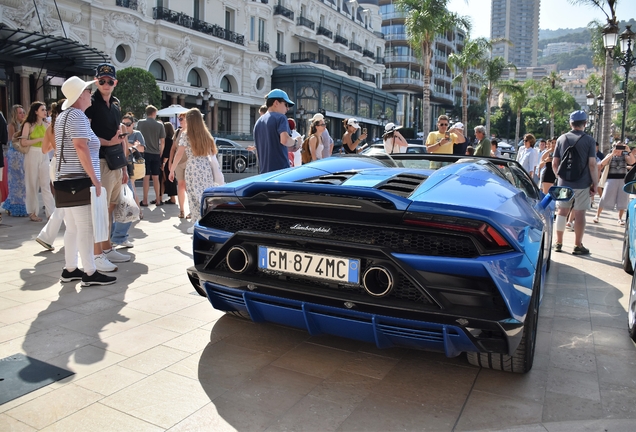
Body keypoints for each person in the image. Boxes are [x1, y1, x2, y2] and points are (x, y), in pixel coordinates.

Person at [55, 76, 116, 286]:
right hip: (80, 181)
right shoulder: (78, 116)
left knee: (72, 228)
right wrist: (95, 180)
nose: (91, 94)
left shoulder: (62, 117)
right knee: (85, 228)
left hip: (64, 180)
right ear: (81, 95)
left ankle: (70, 268)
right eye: (88, 91)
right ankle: (90, 272)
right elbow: (81, 147)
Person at [84, 63, 130, 270]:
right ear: (96, 81)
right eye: (101, 81)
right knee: (100, 210)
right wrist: (109, 143)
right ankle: (98, 253)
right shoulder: (90, 104)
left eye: (109, 81)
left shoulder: (116, 105)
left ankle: (107, 247)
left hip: (115, 162)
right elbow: (86, 135)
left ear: (115, 83)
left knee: (110, 207)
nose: (105, 84)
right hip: (99, 161)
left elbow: (119, 137)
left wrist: (125, 168)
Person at [169, 108, 225, 234]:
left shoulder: (186, 134)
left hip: (193, 167)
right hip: (205, 167)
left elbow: (179, 154)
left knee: (194, 197)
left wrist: (172, 170)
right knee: (205, 196)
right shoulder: (206, 134)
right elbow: (213, 152)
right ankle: (210, 221)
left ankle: (197, 224)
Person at [552, 110, 598, 255]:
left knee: (562, 212)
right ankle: (577, 245)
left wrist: (560, 178)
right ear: (585, 123)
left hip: (564, 183)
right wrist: (595, 183)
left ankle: (558, 243)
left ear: (570, 123)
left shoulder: (561, 139)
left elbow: (555, 163)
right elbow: (592, 164)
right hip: (582, 183)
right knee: (579, 214)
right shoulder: (589, 140)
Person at [110, 112, 145, 248]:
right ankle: (119, 237)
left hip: (113, 168)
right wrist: (132, 145)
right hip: (120, 168)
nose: (125, 126)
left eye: (128, 124)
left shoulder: (100, 127)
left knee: (114, 205)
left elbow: (141, 147)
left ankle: (114, 237)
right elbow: (125, 151)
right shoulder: (120, 129)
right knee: (127, 204)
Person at [36, 100, 65, 251]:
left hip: (54, 163)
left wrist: (54, 145)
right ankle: (46, 236)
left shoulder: (51, 128)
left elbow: (44, 149)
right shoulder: (65, 126)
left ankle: (46, 236)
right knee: (65, 203)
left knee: (65, 203)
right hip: (64, 165)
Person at [19, 101, 55, 222]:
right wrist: (40, 139)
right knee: (32, 183)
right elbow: (23, 142)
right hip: (32, 154)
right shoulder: (28, 125)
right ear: (36, 112)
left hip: (43, 154)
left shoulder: (46, 125)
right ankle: (32, 212)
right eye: (42, 110)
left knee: (46, 184)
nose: (45, 112)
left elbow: (51, 141)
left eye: (45, 109)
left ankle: (51, 213)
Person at [253, 89, 302, 173]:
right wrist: (296, 141)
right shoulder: (280, 117)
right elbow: (285, 140)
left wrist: (291, 147)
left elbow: (268, 148)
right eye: (286, 104)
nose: (287, 108)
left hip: (264, 173)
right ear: (276, 103)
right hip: (280, 171)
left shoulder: (258, 122)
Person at [593, 142, 635, 225]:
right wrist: (612, 153)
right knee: (605, 197)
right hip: (611, 179)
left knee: (623, 199)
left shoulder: (625, 156)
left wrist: (628, 151)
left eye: (621, 147)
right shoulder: (610, 155)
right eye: (617, 146)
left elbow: (632, 162)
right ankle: (597, 215)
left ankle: (620, 218)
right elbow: (602, 163)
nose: (619, 149)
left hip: (623, 179)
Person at [137, 105, 166, 206]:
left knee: (145, 177)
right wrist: (160, 152)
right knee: (156, 177)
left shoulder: (140, 123)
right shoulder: (159, 125)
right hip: (155, 153)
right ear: (154, 113)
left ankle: (144, 200)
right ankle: (158, 199)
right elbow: (162, 141)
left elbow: (137, 138)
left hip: (144, 152)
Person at [2, 105, 28, 217]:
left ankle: (14, 205)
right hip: (15, 155)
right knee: (17, 182)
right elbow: (12, 142)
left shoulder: (25, 125)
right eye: (20, 113)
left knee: (23, 182)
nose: (22, 114)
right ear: (14, 114)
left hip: (23, 154)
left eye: (23, 112)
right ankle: (15, 206)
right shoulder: (12, 126)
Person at [169, 112, 188, 218]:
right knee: (180, 186)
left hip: (189, 162)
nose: (179, 121)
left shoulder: (191, 132)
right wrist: (170, 162)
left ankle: (191, 210)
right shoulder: (177, 132)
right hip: (179, 163)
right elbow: (173, 149)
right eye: (179, 119)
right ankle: (182, 210)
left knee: (189, 187)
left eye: (181, 119)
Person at [161, 121, 178, 204]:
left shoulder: (167, 140)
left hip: (167, 161)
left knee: (167, 179)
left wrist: (163, 163)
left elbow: (167, 153)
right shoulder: (173, 139)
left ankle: (171, 198)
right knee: (169, 179)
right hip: (172, 161)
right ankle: (170, 197)